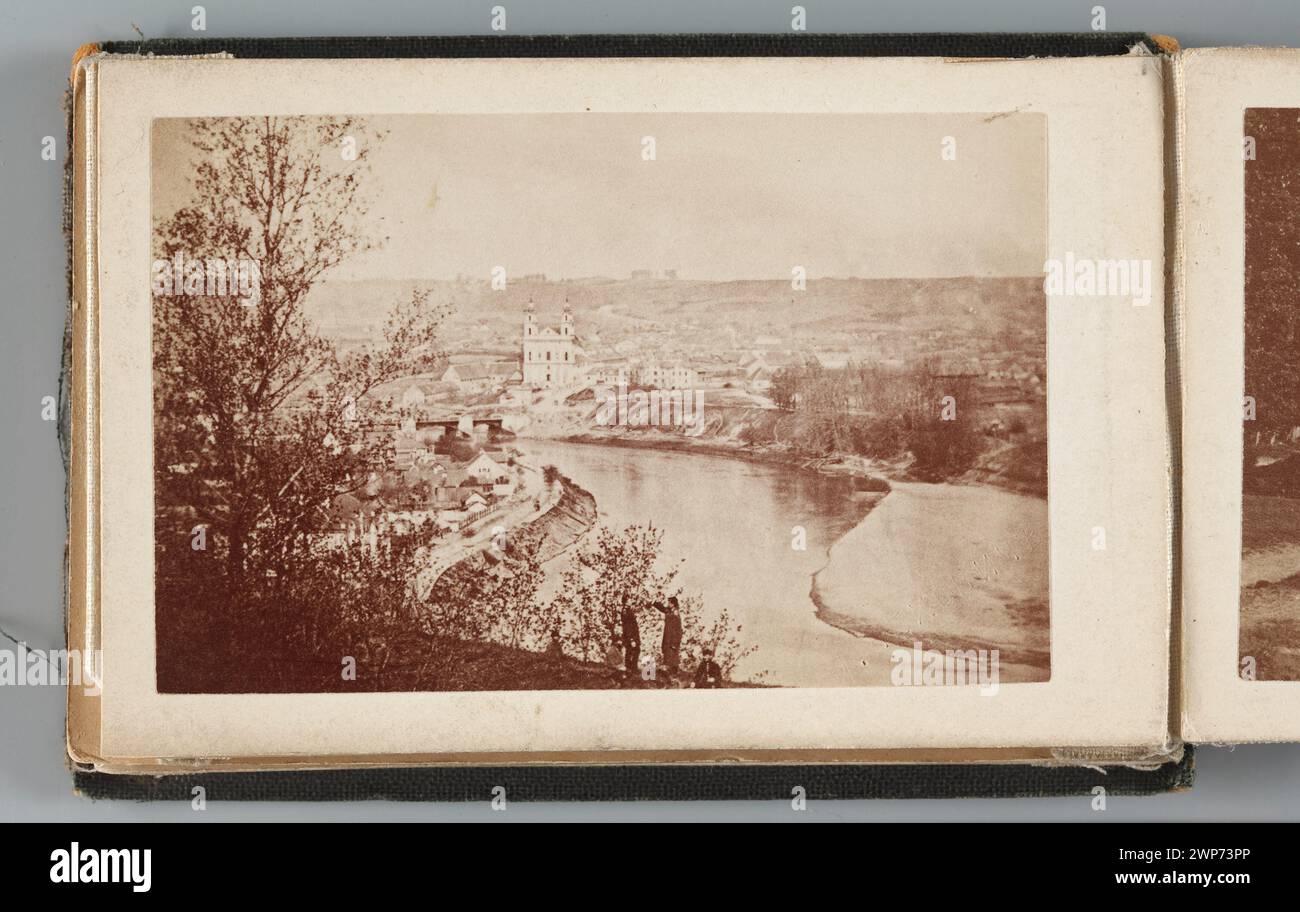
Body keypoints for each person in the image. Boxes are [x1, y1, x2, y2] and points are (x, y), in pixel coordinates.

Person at [658, 597, 682, 676]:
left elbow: (678, 629)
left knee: (673, 656)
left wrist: (675, 642)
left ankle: (673, 674)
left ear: (673, 604)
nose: (668, 604)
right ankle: (668, 673)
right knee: (667, 654)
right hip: (668, 637)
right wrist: (654, 603)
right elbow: (662, 609)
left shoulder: (675, 613)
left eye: (669, 603)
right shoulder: (669, 610)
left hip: (673, 638)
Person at [621, 605, 641, 681]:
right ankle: (631, 670)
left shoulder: (629, 614)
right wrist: (632, 640)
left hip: (633, 638)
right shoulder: (627, 615)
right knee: (631, 653)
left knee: (633, 652)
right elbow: (628, 628)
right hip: (631, 639)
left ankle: (632, 669)